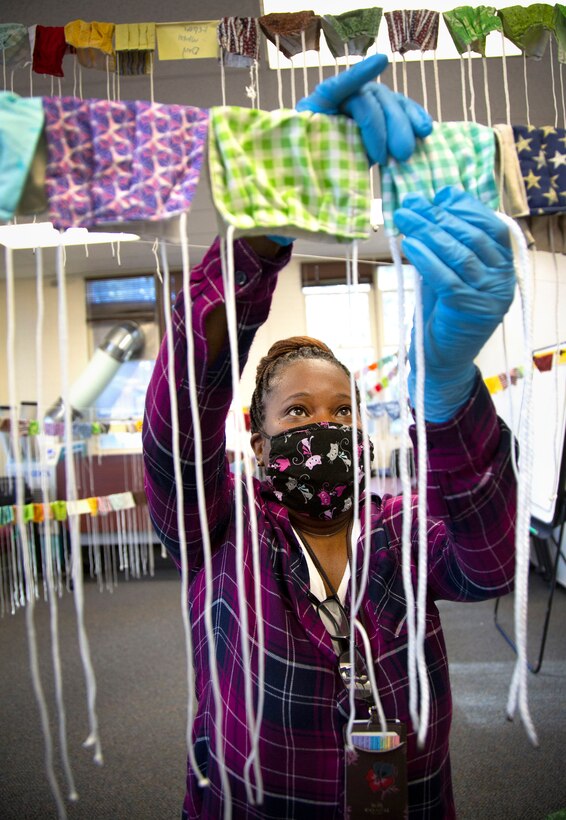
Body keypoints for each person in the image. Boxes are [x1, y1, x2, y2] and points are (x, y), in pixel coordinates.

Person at [142, 55, 517, 819]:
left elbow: (488, 567)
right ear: (256, 436)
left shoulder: (401, 529)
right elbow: (177, 423)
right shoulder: (224, 533)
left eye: (343, 413)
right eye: (299, 415)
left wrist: (446, 395)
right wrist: (257, 236)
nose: (326, 430)